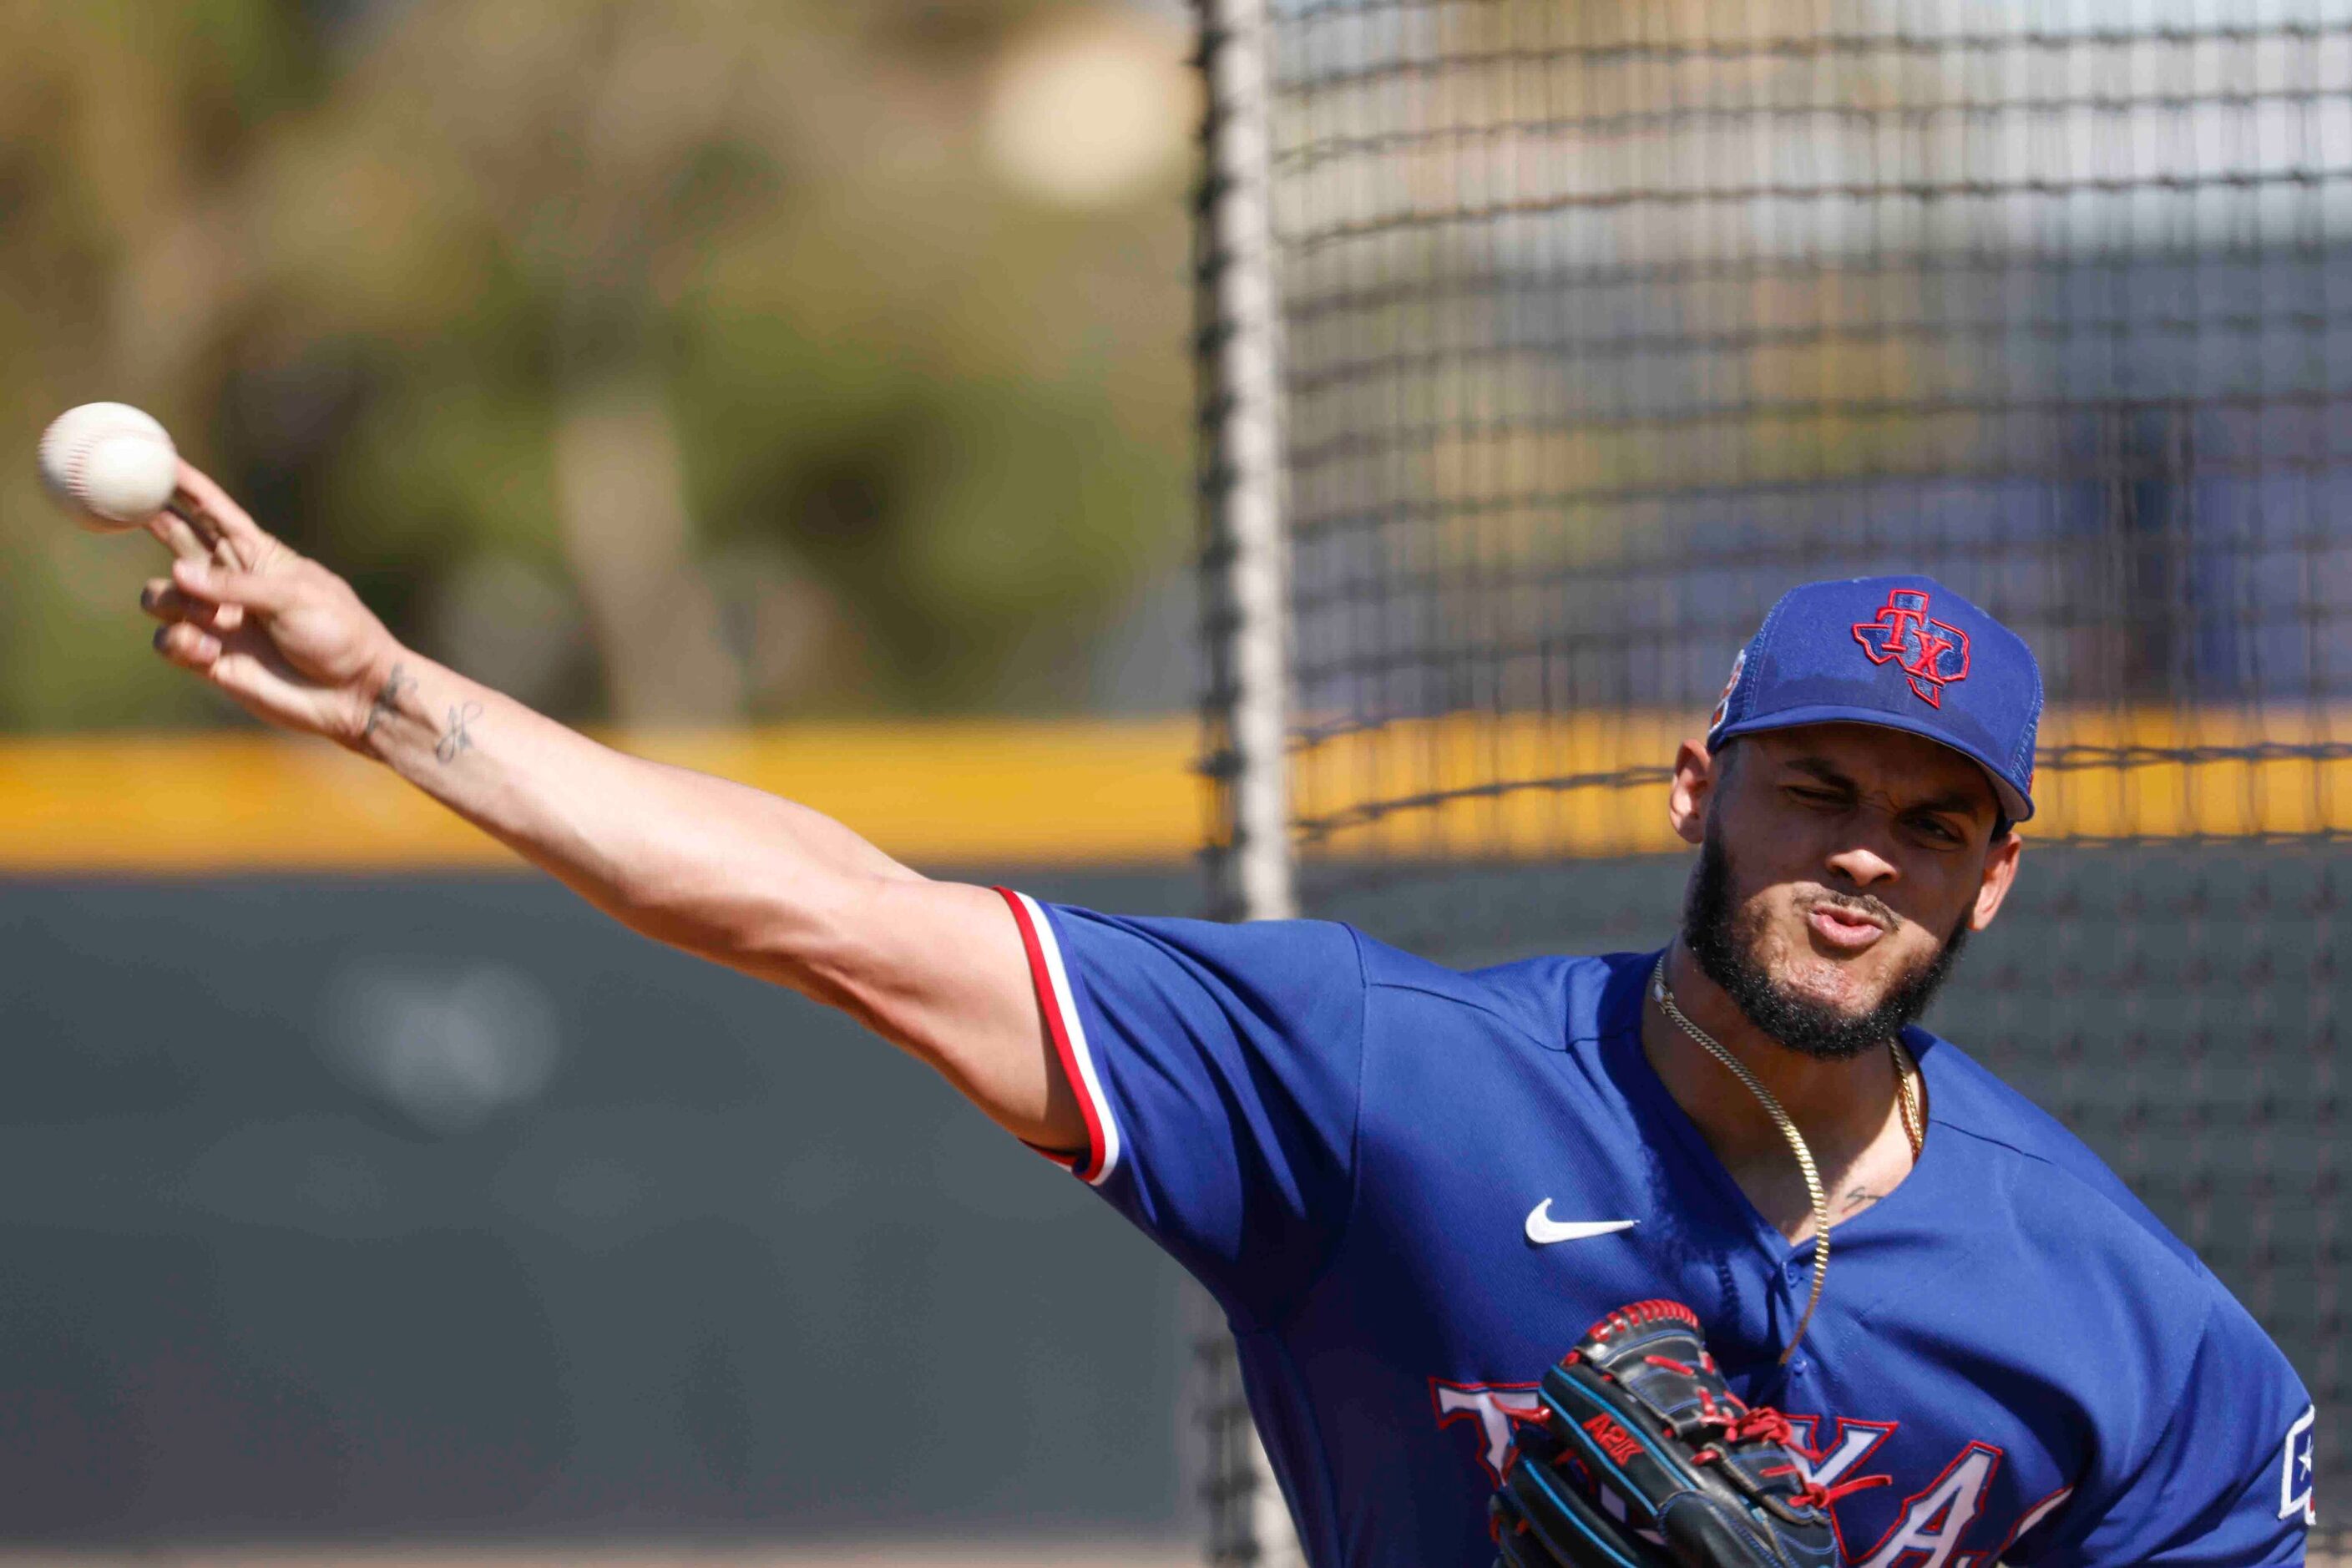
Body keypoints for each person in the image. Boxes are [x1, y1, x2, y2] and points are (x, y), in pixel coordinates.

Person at [137, 466, 2316, 1568]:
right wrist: (396, 703)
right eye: (1814, 786)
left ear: (1994, 872)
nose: (1862, 853)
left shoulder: (2125, 1331)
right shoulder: (1379, 1084)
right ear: (1695, 786)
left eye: (1929, 823)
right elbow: (842, 918)